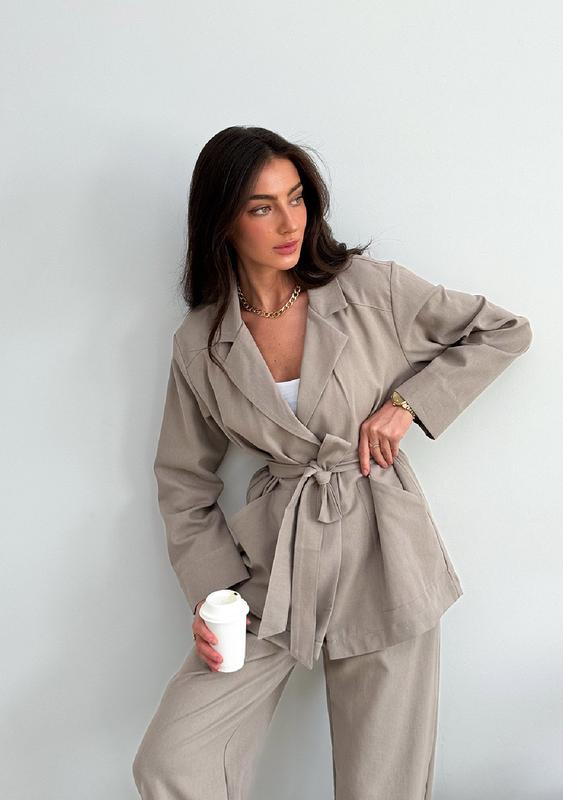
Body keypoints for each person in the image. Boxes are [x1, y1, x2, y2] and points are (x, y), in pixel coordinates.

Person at [132, 126, 532, 800]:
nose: (289, 223)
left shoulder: (369, 289)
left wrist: (406, 404)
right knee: (174, 760)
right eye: (261, 207)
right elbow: (183, 480)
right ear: (222, 220)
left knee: (381, 788)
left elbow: (502, 330)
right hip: (272, 569)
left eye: (296, 198)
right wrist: (212, 595)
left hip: (383, 554)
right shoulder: (200, 342)